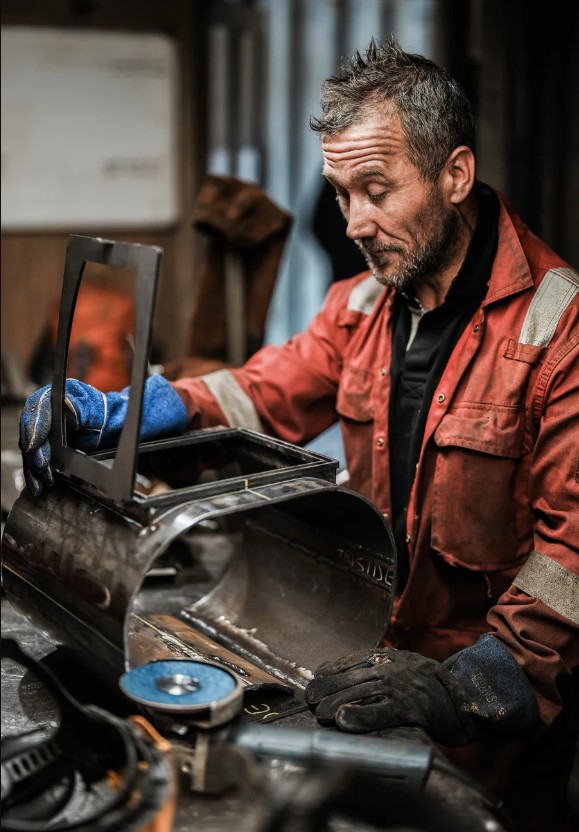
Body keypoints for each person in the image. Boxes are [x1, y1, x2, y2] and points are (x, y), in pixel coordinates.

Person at [19, 38, 578, 830]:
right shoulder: (361, 306)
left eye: (376, 191)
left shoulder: (559, 334)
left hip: (492, 739)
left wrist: (470, 685)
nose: (353, 223)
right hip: (361, 678)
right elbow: (259, 392)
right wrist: (123, 412)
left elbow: (571, 559)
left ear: (454, 174)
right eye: (340, 194)